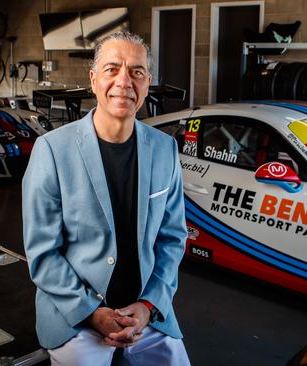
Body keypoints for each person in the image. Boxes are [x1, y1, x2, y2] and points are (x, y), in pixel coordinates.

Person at [22, 31, 190, 365]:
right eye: (112, 69)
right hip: (77, 316)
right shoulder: (53, 150)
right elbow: (43, 253)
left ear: (147, 83)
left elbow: (172, 239)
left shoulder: (164, 148)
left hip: (144, 314)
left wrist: (149, 307)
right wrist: (92, 313)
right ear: (94, 79)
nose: (124, 81)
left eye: (137, 72)